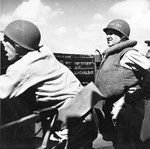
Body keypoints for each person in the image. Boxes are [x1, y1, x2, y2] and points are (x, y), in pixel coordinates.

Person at [0, 20, 99, 149]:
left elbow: (3, 91)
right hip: (85, 117)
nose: (3, 44)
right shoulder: (43, 53)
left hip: (73, 124)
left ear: (18, 46)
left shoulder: (25, 67)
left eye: (6, 40)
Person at [95, 19, 150, 149]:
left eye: (113, 33)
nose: (108, 36)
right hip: (111, 106)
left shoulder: (128, 53)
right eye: (107, 33)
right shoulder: (111, 54)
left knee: (128, 144)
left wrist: (142, 92)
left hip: (127, 108)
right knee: (118, 142)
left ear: (122, 37)